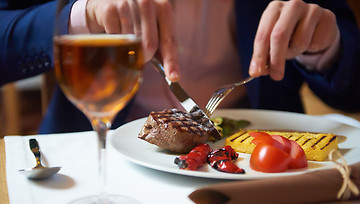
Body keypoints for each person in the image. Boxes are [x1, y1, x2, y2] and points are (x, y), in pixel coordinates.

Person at [0, 0, 359, 133]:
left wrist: (326, 46)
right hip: (97, 159)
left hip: (261, 171)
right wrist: (81, 17)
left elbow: (353, 84)